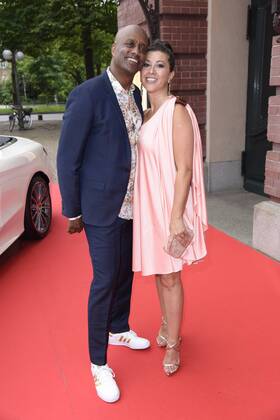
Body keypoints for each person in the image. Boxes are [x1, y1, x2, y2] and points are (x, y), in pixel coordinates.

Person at [57, 25, 150, 403]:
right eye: (130, 44)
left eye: (141, 47)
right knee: (105, 278)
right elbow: (67, 158)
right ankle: (98, 363)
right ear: (114, 48)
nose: (136, 51)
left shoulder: (137, 94)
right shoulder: (88, 94)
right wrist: (73, 210)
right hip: (100, 207)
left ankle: (118, 327)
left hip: (132, 205)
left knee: (125, 271)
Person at [133, 40, 208, 376]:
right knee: (158, 272)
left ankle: (175, 344)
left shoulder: (176, 110)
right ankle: (167, 322)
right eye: (147, 64)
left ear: (171, 73)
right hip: (149, 205)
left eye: (160, 65)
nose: (151, 70)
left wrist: (176, 216)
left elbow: (185, 169)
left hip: (168, 205)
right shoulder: (146, 112)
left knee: (170, 276)